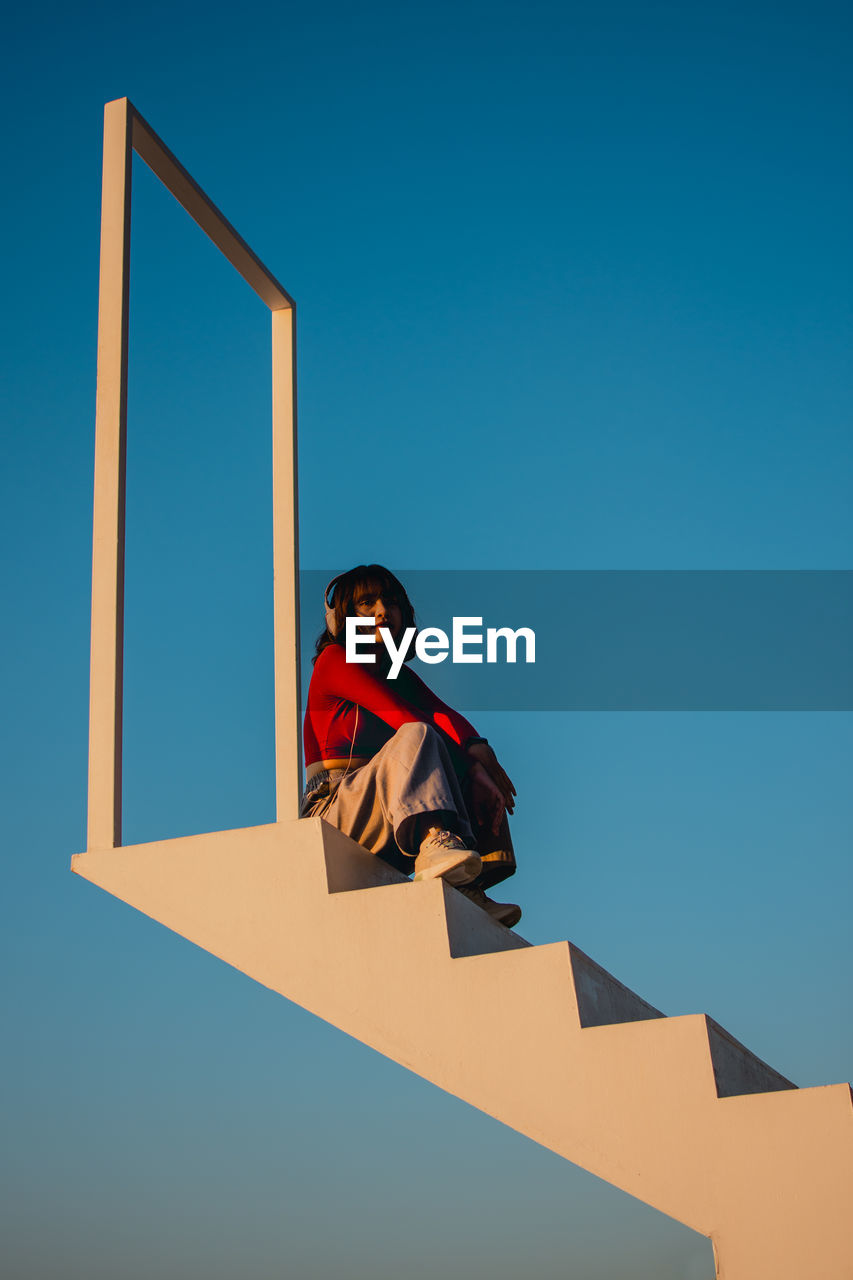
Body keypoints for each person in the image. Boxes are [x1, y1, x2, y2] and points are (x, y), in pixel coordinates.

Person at [301, 564, 521, 928]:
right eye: (366, 603)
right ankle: (434, 839)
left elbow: (444, 714)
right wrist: (470, 767)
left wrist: (478, 749)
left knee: (449, 754)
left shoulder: (395, 673)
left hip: (382, 807)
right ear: (341, 618)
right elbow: (407, 718)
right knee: (417, 737)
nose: (382, 612)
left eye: (390, 602)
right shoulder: (335, 660)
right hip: (334, 806)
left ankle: (464, 884)